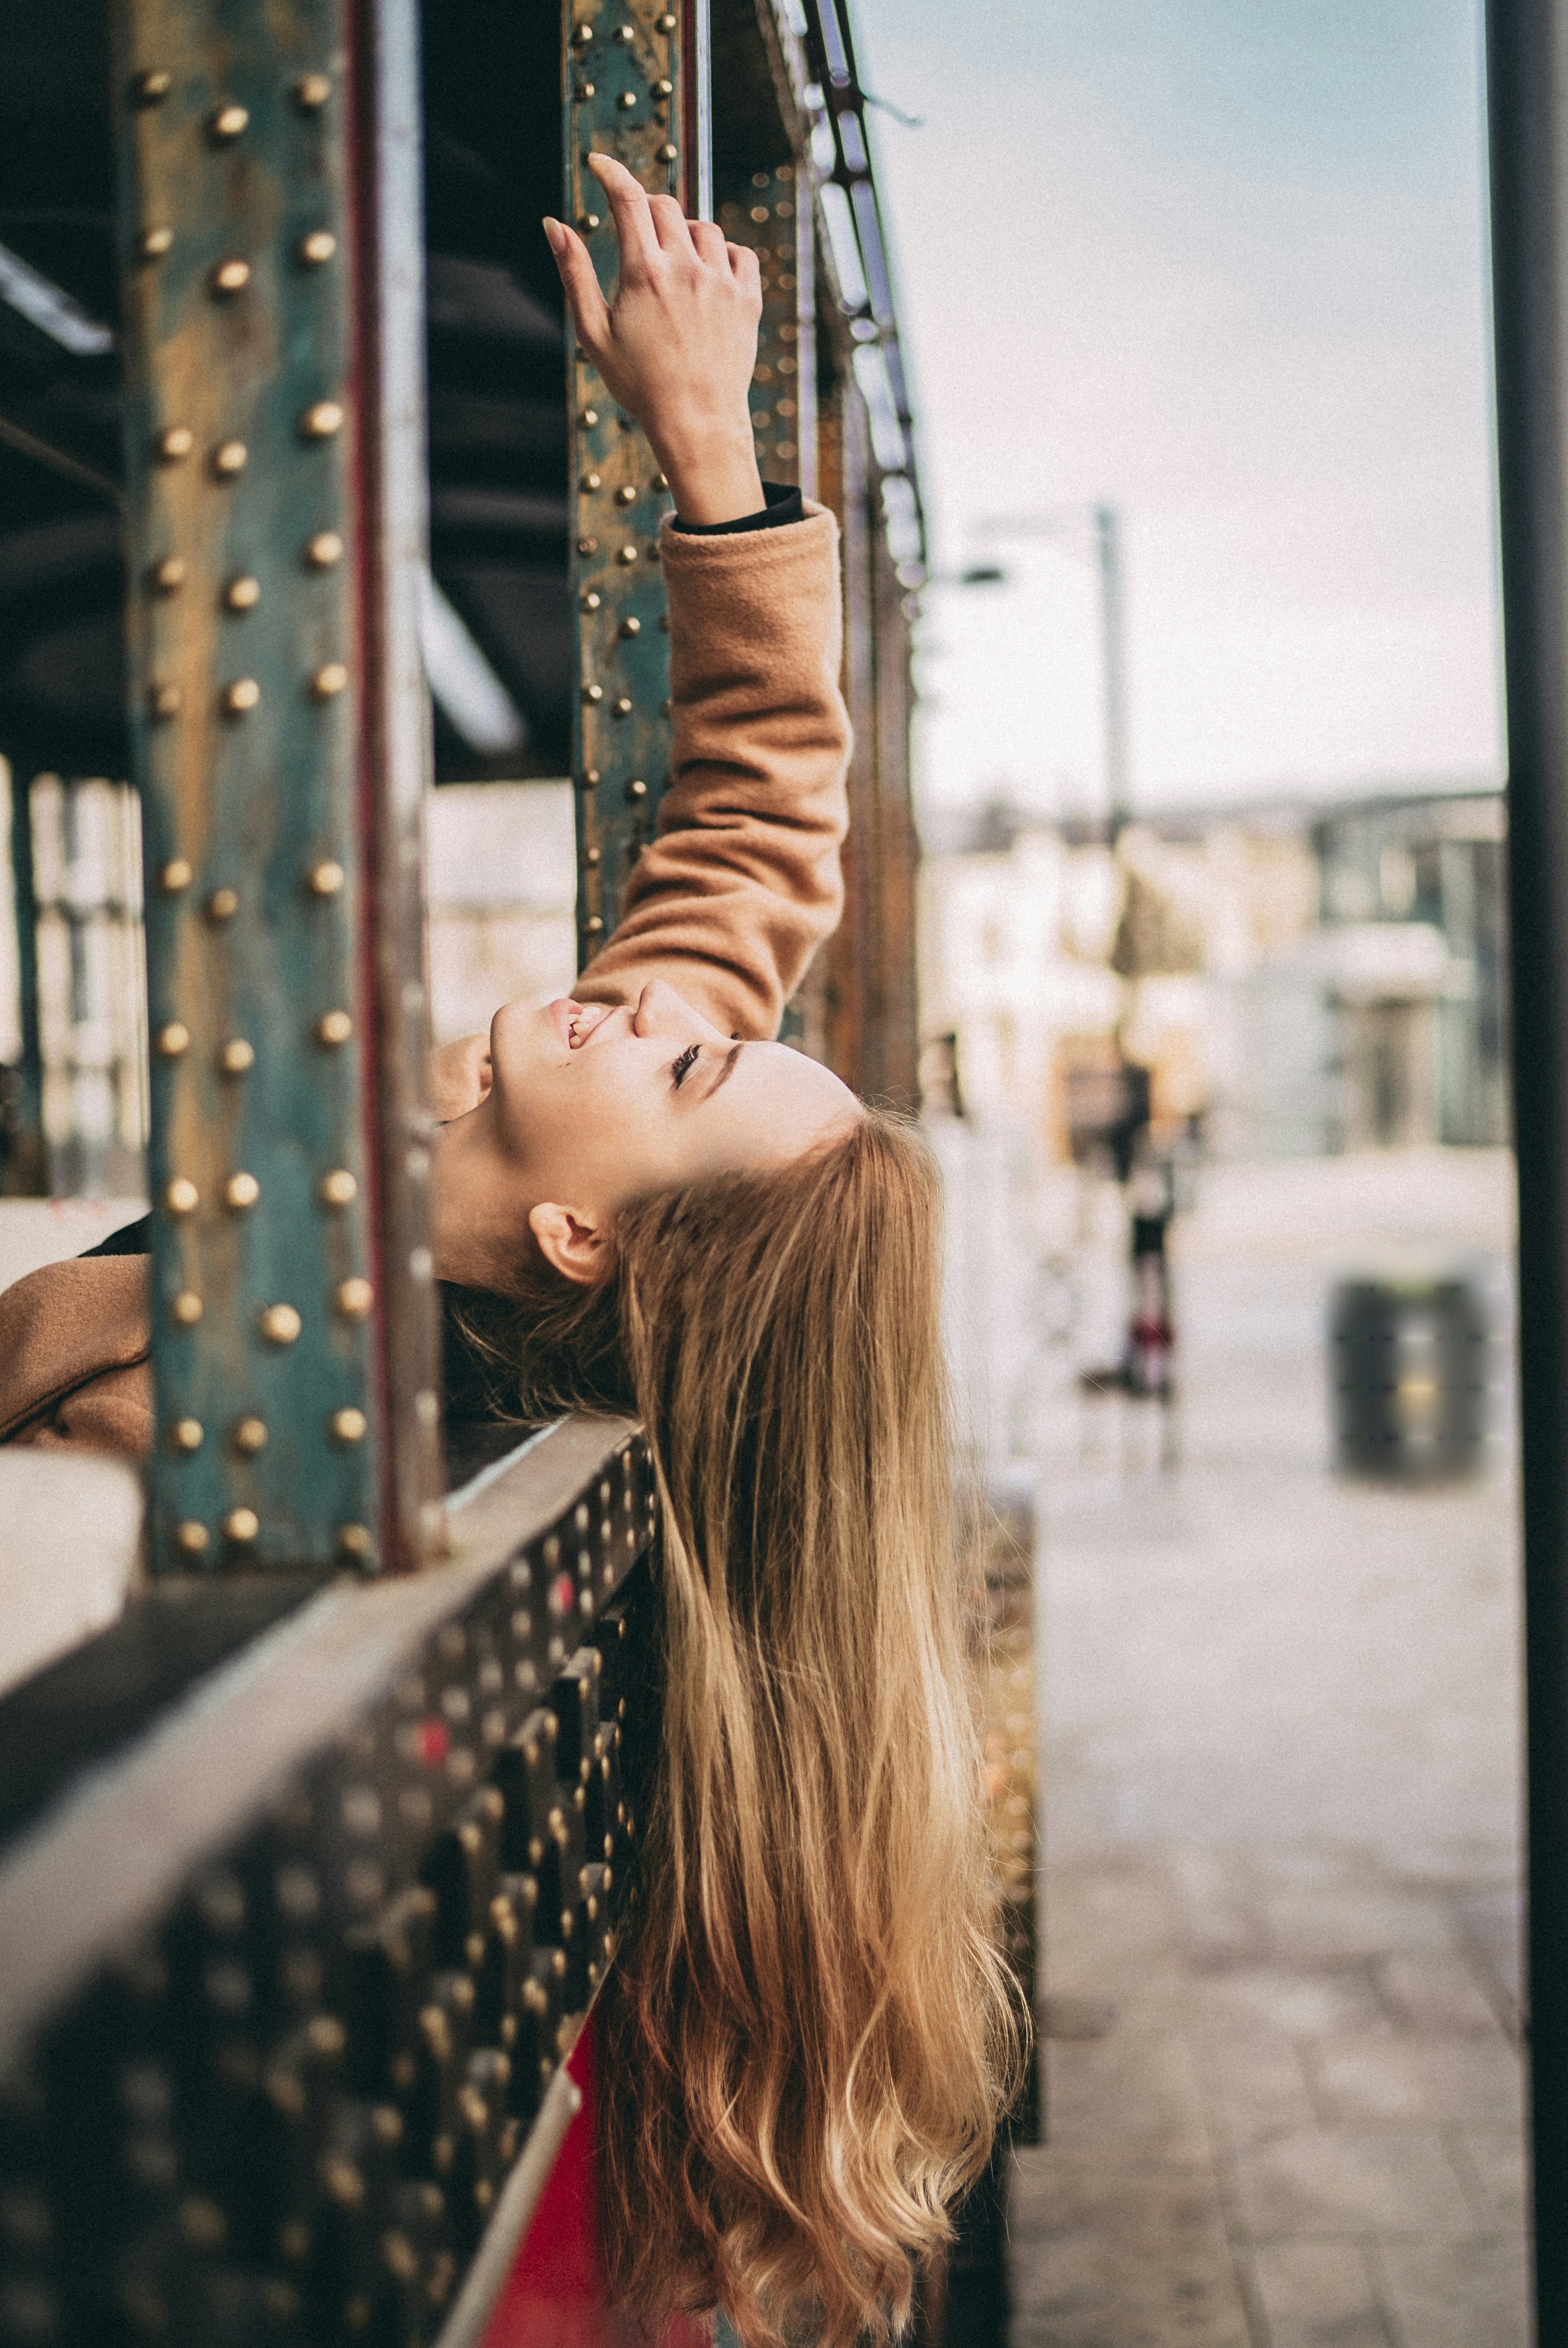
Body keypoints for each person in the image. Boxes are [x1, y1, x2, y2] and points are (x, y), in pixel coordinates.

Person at [0, 154, 1022, 2348]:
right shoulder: (567, 1175)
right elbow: (757, 826)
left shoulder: (328, 1405)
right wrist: (709, 432)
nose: (661, 1001)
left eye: (676, 1065)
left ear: (578, 1235)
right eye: (700, 1021)